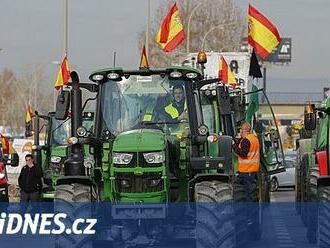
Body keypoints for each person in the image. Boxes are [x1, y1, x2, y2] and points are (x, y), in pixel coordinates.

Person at [232, 122, 260, 202]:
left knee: (249, 194)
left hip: (247, 171)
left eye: (240, 130)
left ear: (242, 130)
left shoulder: (246, 140)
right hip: (251, 170)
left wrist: (233, 145)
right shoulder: (254, 138)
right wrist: (238, 141)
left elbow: (243, 154)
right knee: (249, 193)